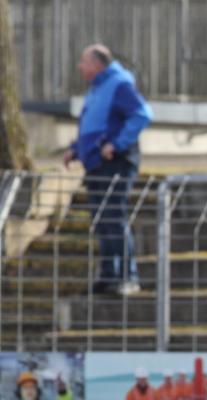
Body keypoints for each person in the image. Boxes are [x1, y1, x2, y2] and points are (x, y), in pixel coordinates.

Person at [63, 43, 152, 296]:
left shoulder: (119, 84)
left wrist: (117, 144)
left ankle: (128, 276)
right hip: (96, 163)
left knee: (114, 218)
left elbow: (141, 114)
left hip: (116, 162)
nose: (80, 67)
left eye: (84, 61)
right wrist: (76, 149)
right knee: (102, 220)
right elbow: (95, 127)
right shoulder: (97, 88)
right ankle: (109, 275)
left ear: (97, 64)